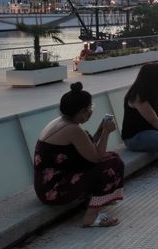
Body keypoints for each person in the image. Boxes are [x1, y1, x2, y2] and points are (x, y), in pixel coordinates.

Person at [33, 82, 125, 227]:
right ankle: (91, 217)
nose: (91, 112)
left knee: (113, 157)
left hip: (51, 184)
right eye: (90, 109)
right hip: (55, 190)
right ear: (82, 111)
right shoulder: (72, 129)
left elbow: (87, 149)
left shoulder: (61, 122)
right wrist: (107, 132)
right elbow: (96, 157)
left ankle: (100, 199)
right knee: (111, 165)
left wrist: (101, 130)